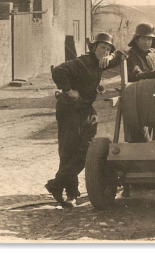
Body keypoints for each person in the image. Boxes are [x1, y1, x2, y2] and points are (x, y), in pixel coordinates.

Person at [45, 32, 126, 207]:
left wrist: (112, 55)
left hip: (86, 109)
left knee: (88, 149)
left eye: (107, 48)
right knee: (69, 151)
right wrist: (68, 90)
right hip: (70, 109)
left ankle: (57, 184)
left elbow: (123, 54)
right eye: (102, 48)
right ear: (93, 48)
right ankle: (71, 193)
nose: (104, 51)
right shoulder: (82, 62)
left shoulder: (101, 61)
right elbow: (58, 71)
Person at [126, 22, 155, 143]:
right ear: (137, 39)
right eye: (143, 38)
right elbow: (136, 76)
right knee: (141, 140)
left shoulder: (150, 54)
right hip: (136, 99)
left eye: (149, 39)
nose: (146, 42)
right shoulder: (130, 55)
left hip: (152, 98)